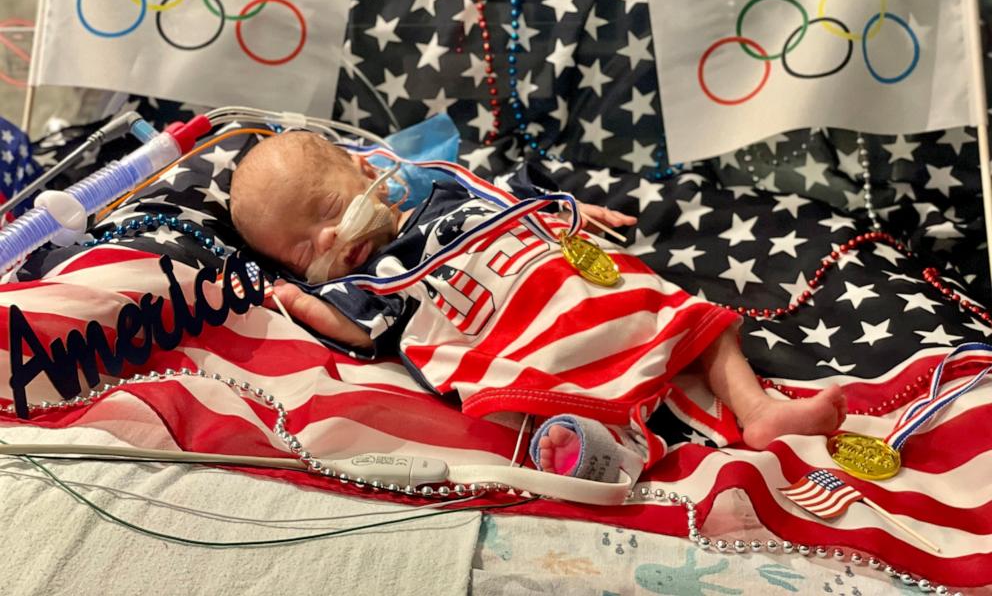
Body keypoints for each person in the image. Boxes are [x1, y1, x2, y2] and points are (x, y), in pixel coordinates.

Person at [229, 131, 846, 482]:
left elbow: (528, 205)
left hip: (592, 293)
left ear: (369, 170)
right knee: (557, 400)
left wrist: (578, 213)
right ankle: (602, 453)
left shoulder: (454, 190)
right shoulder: (378, 278)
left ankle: (758, 409)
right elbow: (358, 332)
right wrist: (294, 300)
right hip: (523, 342)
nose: (332, 241)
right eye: (305, 249)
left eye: (330, 212)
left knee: (698, 323)